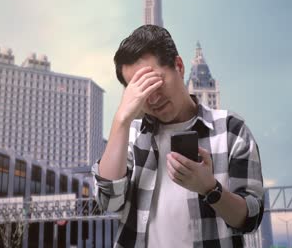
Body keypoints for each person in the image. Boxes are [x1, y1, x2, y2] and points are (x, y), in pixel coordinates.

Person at [91, 25, 264, 248]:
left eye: (154, 82)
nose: (152, 99)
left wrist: (210, 189)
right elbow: (109, 202)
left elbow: (250, 218)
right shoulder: (130, 135)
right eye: (142, 90)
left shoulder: (231, 130)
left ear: (179, 67)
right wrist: (121, 120)